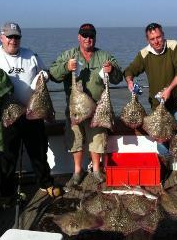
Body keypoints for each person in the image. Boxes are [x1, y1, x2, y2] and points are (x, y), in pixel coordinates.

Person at [0, 22, 61, 207]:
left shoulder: (31, 55)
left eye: (17, 37)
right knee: (7, 157)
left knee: (38, 152)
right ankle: (7, 194)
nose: (13, 40)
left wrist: (44, 76)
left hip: (32, 113)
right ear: (1, 37)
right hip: (7, 116)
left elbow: (45, 73)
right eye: (9, 36)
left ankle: (46, 184)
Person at [50, 23, 123, 186]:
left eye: (91, 36)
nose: (88, 39)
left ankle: (96, 169)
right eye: (84, 35)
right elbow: (53, 75)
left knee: (97, 139)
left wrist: (112, 70)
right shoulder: (69, 54)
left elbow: (119, 79)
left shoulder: (105, 56)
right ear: (79, 37)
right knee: (75, 140)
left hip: (97, 110)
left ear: (95, 38)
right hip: (75, 109)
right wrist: (66, 67)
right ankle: (77, 171)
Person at [123, 22, 177, 163]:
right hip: (157, 107)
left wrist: (169, 89)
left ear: (163, 35)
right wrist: (129, 81)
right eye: (152, 39)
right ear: (148, 40)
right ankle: (166, 167)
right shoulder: (144, 53)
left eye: (159, 37)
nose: (156, 41)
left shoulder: (174, 46)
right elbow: (130, 70)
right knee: (161, 141)